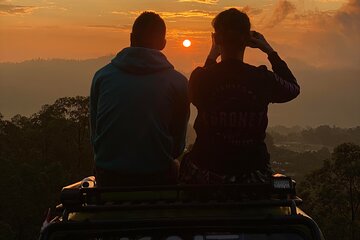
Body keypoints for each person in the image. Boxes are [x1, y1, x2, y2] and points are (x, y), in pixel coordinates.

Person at [180, 8, 300, 184]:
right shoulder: (262, 78)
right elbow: (293, 88)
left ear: (217, 38)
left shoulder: (201, 77)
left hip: (207, 176)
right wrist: (269, 51)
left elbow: (197, 92)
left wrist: (213, 53)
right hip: (252, 177)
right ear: (248, 40)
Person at [90, 12, 189, 187]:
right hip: (157, 176)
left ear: (130, 38)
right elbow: (178, 145)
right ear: (163, 44)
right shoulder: (178, 82)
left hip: (109, 177)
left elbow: (96, 134)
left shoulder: (102, 77)